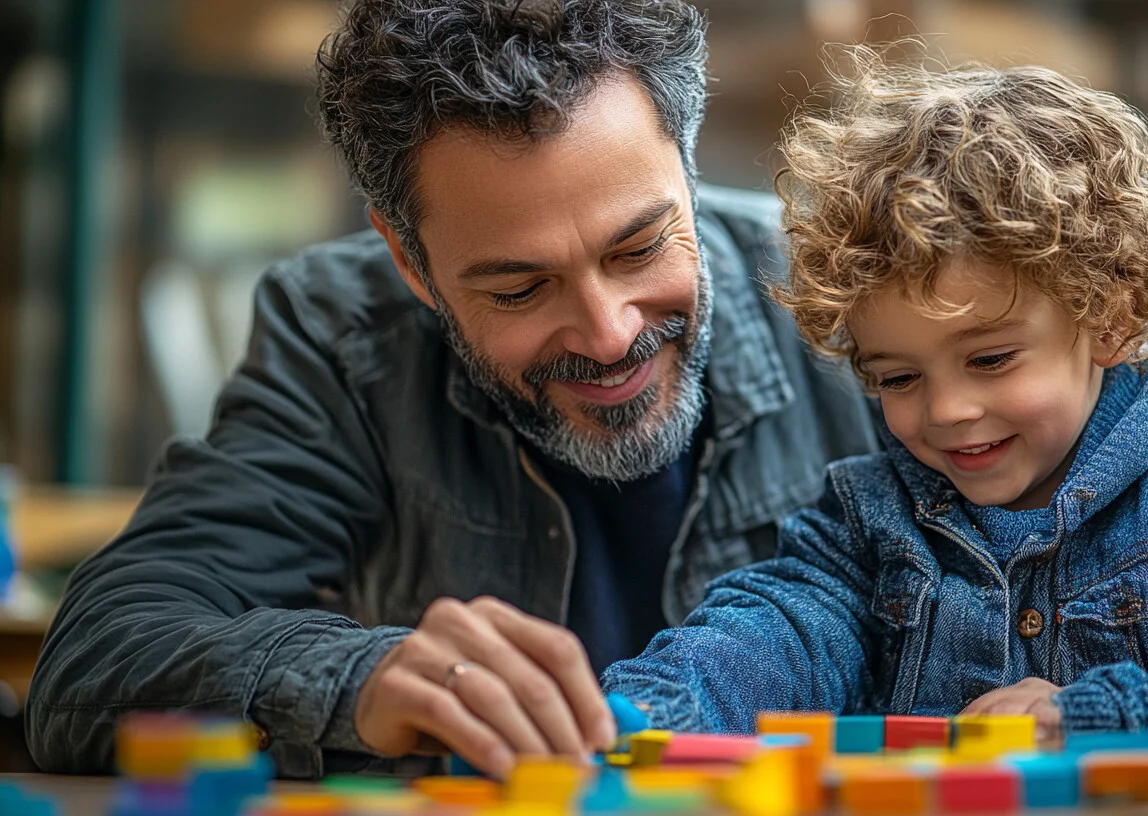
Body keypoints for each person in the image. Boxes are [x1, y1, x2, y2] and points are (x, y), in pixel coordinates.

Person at [25, 0, 880, 779]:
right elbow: (94, 662)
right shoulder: (342, 340)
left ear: (688, 176)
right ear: (412, 264)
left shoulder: (856, 299)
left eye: (640, 249)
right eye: (519, 289)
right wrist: (361, 679)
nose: (609, 335)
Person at [601, 52, 1148, 791]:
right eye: (898, 377)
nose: (946, 410)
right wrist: (641, 713)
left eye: (990, 360)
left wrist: (1090, 724)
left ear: (1110, 317)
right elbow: (773, 633)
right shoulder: (870, 522)